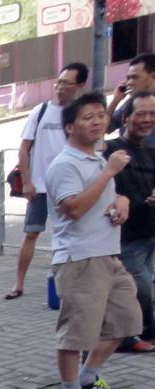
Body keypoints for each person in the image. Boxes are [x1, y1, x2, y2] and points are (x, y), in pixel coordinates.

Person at [46, 90, 139, 389]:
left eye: (101, 115)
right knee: (77, 332)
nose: (98, 121)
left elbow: (102, 199)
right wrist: (109, 173)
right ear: (70, 127)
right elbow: (73, 208)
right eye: (88, 117)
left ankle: (88, 377)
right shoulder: (65, 165)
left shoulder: (97, 159)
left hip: (108, 254)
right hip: (80, 258)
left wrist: (121, 202)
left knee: (127, 320)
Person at [9, 64, 89, 301]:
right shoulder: (41, 111)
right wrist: (27, 182)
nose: (60, 87)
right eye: (59, 82)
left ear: (80, 85)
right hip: (40, 187)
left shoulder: (80, 113)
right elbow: (24, 149)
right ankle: (19, 283)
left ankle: (71, 282)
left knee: (72, 234)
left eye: (66, 83)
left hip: (69, 188)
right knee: (31, 234)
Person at [105, 90, 155, 353]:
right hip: (124, 235)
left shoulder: (152, 151)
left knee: (145, 285)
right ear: (126, 118)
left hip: (149, 231)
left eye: (152, 114)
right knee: (141, 287)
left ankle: (141, 333)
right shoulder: (110, 150)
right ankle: (128, 336)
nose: (147, 119)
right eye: (141, 114)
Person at [110, 55, 155, 132]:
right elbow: (105, 127)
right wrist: (115, 101)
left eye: (135, 77)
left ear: (153, 77)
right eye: (128, 78)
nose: (129, 83)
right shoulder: (131, 103)